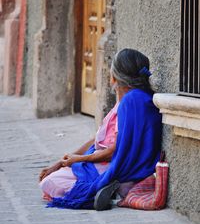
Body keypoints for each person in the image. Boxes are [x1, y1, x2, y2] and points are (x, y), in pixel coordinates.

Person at [39, 48, 162, 211]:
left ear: (115, 77)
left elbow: (115, 150)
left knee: (50, 183)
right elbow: (97, 139)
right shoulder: (133, 99)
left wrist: (80, 160)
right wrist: (63, 162)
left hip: (116, 168)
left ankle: (111, 192)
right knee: (52, 180)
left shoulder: (131, 101)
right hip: (107, 161)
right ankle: (109, 190)